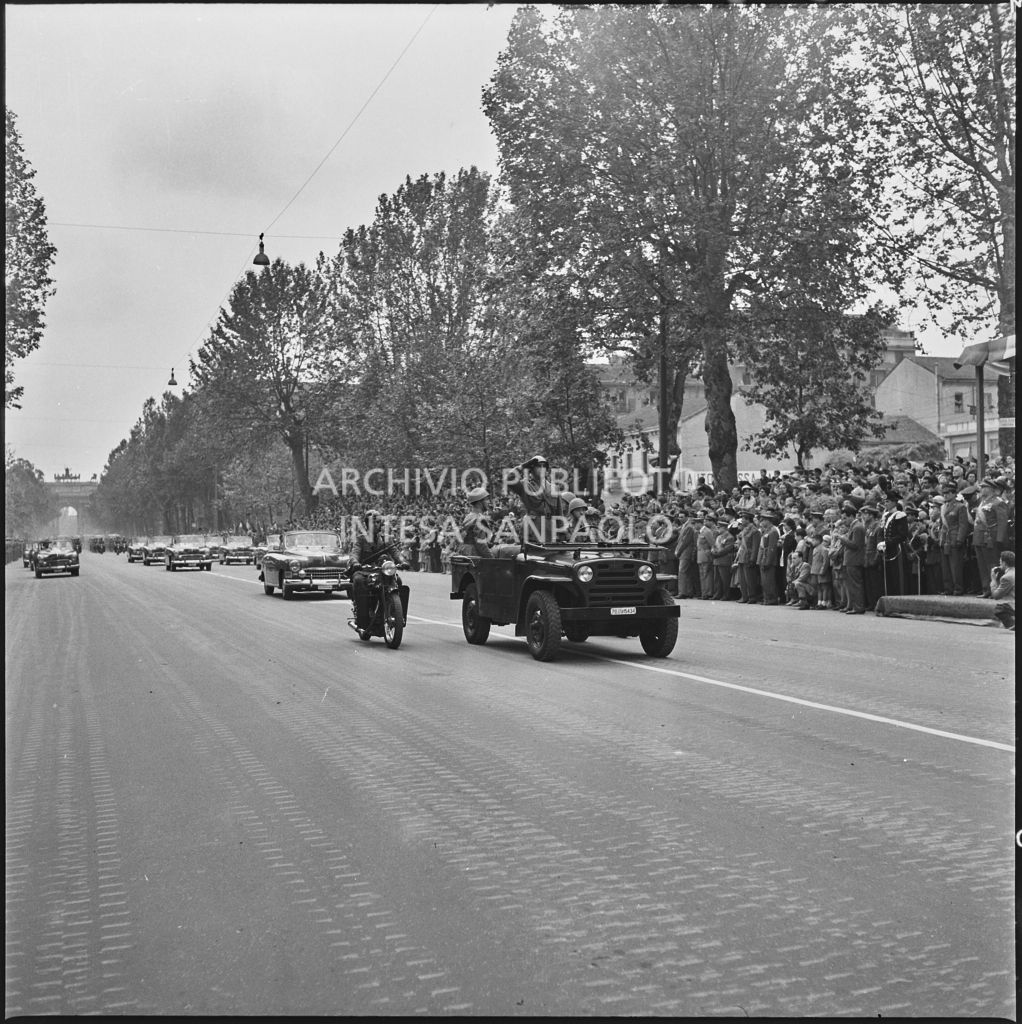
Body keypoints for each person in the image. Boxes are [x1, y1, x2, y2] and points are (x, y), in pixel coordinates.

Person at [350, 509, 392, 631]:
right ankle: (363, 617)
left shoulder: (386, 539)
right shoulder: (361, 539)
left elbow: (395, 552)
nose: (380, 525)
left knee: (398, 580)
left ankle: (395, 612)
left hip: (381, 571)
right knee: (358, 580)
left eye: (380, 522)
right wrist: (356, 563)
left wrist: (403, 561)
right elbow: (354, 553)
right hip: (364, 570)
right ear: (369, 524)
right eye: (377, 522)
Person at [972, 477, 1009, 597]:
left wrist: (999, 539)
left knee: (992, 565)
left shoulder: (998, 502)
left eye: (984, 487)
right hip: (979, 537)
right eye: (981, 487)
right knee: (982, 565)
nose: (981, 489)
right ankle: (986, 589)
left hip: (990, 538)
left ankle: (995, 590)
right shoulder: (982, 502)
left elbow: (1002, 522)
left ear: (991, 489)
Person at [938, 483, 970, 596]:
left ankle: (958, 588)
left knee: (955, 566)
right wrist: (940, 539)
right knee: (945, 566)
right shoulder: (943, 507)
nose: (945, 495)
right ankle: (948, 588)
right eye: (944, 493)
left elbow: (963, 525)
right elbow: (941, 525)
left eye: (948, 493)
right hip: (944, 538)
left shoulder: (960, 506)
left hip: (954, 537)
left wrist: (960, 539)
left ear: (954, 494)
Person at [837, 501, 866, 614]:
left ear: (851, 516)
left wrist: (842, 539)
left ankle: (858, 607)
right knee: (851, 585)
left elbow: (855, 545)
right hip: (850, 560)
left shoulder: (857, 527)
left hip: (854, 560)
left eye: (845, 518)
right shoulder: (854, 526)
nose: (843, 521)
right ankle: (853, 605)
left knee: (855, 585)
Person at [757, 508, 781, 605]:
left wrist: (768, 561)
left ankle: (772, 598)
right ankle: (766, 598)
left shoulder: (773, 531)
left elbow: (772, 548)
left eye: (763, 520)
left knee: (769, 580)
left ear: (768, 521)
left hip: (768, 559)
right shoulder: (766, 531)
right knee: (764, 581)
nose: (762, 522)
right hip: (763, 557)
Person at [673, 508, 698, 599]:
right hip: (684, 552)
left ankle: (683, 592)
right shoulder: (685, 526)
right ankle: (688, 591)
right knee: (686, 572)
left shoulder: (689, 527)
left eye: (682, 517)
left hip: (686, 552)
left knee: (682, 572)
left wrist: (678, 551)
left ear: (687, 517)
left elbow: (685, 542)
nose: (680, 518)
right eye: (679, 517)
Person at [990, 549, 1015, 631]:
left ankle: (1012, 624)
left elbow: (996, 596)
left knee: (999, 609)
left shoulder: (1006, 577)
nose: (999, 564)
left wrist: (993, 580)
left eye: (1000, 562)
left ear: (1004, 563)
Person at [697, 512, 716, 600]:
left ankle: (708, 593)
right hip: (700, 555)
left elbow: (712, 544)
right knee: (702, 575)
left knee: (706, 574)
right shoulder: (701, 531)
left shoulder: (707, 532)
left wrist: (710, 554)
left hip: (706, 554)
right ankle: (704, 592)